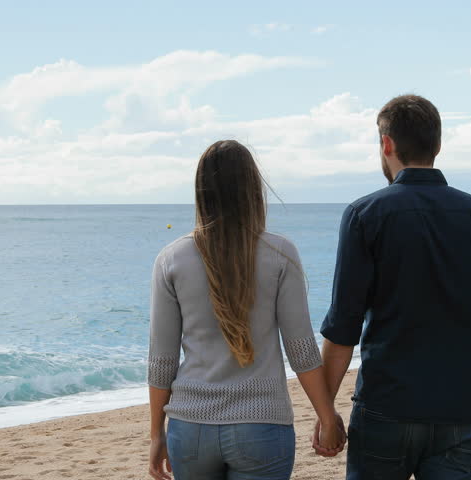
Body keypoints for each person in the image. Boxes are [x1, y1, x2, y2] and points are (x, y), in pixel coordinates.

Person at [314, 95, 471, 479]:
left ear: (386, 144)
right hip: (462, 412)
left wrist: (326, 413)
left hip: (385, 411)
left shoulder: (363, 215)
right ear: (437, 146)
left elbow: (343, 328)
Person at [147, 140, 346, 480]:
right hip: (262, 427)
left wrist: (156, 433)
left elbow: (161, 359)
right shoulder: (280, 254)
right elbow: (301, 349)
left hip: (191, 427)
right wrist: (328, 417)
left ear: (201, 192)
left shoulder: (171, 259)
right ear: (253, 189)